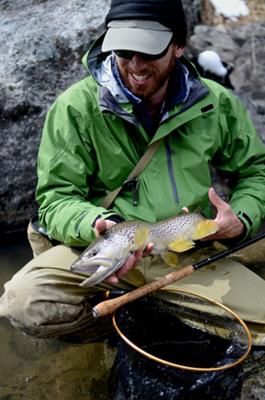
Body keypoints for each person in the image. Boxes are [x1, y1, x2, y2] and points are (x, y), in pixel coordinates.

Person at [1, 0, 265, 344]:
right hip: (104, 247)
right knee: (23, 303)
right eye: (124, 51)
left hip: (187, 251)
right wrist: (95, 223)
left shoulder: (215, 103)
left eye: (149, 52)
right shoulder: (74, 109)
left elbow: (256, 172)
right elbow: (55, 198)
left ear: (179, 47)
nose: (136, 65)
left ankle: (167, 311)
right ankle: (118, 327)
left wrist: (241, 219)